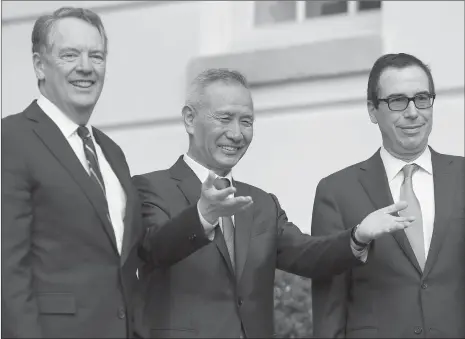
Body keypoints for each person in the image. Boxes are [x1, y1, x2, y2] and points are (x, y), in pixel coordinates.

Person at [132, 68, 415, 338]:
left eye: (246, 121)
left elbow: (308, 254)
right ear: (190, 120)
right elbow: (154, 248)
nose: (236, 133)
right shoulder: (149, 188)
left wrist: (358, 236)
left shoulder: (261, 203)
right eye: (224, 118)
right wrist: (203, 216)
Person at [1, 7, 216, 338]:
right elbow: (8, 272)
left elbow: (139, 248)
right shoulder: (12, 139)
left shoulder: (110, 152)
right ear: (40, 65)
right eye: (70, 55)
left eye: (96, 56)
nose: (86, 67)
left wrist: (203, 216)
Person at [311, 53, 465, 338]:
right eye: (397, 101)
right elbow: (329, 307)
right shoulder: (336, 192)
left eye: (422, 98)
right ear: (372, 110)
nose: (412, 112)